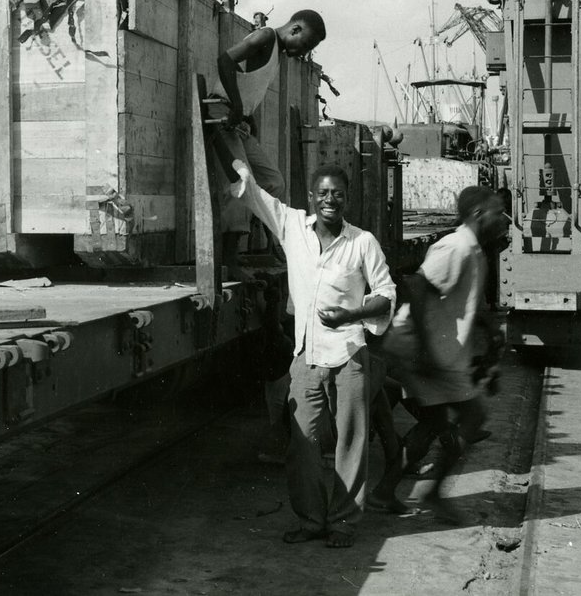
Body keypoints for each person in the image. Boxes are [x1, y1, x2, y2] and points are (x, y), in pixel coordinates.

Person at [213, 139, 395, 549]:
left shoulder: (362, 242)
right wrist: (225, 140)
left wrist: (352, 315)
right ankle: (312, 519)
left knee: (351, 440)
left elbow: (386, 294)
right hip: (307, 355)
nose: (331, 199)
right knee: (302, 442)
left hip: (349, 353)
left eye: (338, 194)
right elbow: (254, 193)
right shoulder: (293, 226)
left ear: (346, 200)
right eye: (324, 193)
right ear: (313, 198)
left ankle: (343, 523)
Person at [388, 187, 508, 525]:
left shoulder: (472, 250)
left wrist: (488, 328)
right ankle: (432, 493)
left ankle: (387, 491)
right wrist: (424, 352)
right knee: (470, 418)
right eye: (497, 212)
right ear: (477, 214)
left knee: (436, 423)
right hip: (421, 348)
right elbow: (417, 287)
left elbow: (461, 299)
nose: (503, 220)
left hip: (438, 351)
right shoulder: (456, 248)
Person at [213, 11, 326, 268]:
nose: (304, 51)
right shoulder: (266, 36)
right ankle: (228, 261)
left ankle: (271, 244)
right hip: (221, 113)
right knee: (241, 181)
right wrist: (238, 107)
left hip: (237, 120)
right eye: (306, 44)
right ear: (295, 29)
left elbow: (247, 83)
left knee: (273, 182)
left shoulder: (278, 53)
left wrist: (247, 114)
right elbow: (225, 60)